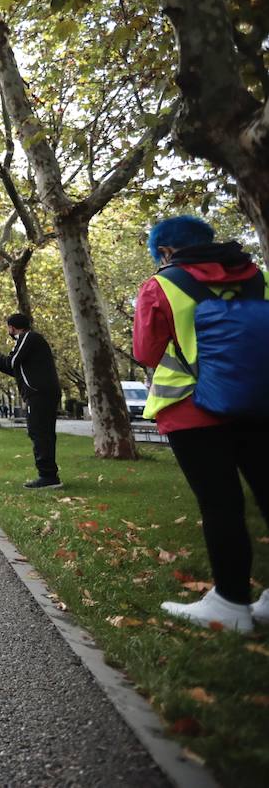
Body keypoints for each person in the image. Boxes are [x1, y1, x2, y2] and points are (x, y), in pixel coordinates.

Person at [133, 215, 269, 632]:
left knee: (221, 504)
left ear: (166, 251)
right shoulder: (256, 277)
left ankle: (230, 603)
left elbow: (145, 352)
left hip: (192, 408)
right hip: (258, 402)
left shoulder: (161, 285)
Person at [0, 313, 62, 489]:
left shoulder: (27, 337)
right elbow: (11, 367)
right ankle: (49, 474)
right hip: (42, 393)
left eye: (8, 328)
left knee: (39, 432)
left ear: (12, 328)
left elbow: (12, 361)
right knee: (42, 432)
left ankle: (48, 476)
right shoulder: (29, 341)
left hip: (39, 393)